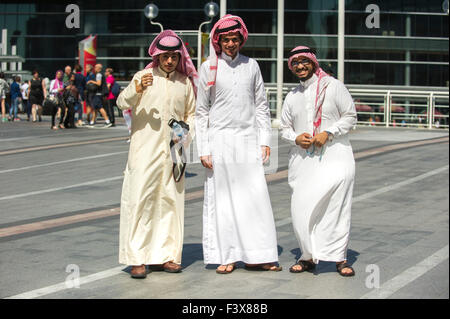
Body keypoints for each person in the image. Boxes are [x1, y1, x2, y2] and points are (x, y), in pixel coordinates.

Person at [195, 15, 281, 274]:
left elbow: (262, 106)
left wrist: (265, 140)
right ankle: (227, 255)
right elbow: (201, 112)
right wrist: (204, 149)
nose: (231, 43)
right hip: (219, 140)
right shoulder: (207, 67)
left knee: (254, 197)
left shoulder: (251, 65)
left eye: (235, 39)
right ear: (218, 40)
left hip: (247, 139)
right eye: (226, 39)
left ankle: (259, 255)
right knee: (223, 199)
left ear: (241, 39)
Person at [116, 30, 197, 279]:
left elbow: (191, 115)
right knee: (140, 200)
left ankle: (166, 256)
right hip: (144, 151)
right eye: (165, 56)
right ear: (157, 56)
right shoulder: (143, 76)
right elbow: (121, 102)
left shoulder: (185, 83)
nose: (170, 61)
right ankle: (137, 258)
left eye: (174, 56)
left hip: (174, 152)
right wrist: (137, 89)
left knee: (170, 202)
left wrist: (185, 132)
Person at [280, 46, 357, 277]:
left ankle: (339, 258)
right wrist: (295, 137)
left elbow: (350, 116)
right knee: (301, 209)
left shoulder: (334, 86)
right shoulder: (292, 95)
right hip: (303, 161)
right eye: (295, 63)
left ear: (314, 62)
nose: (300, 66)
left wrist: (328, 132)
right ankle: (307, 257)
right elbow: (284, 127)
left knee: (336, 207)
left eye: (304, 61)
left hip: (336, 156)